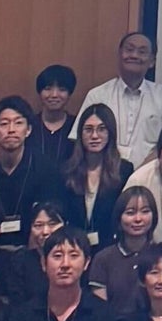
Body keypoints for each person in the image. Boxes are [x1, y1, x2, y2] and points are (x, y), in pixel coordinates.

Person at [0, 97, 70, 252]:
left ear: (28, 130)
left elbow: (53, 217)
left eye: (18, 123)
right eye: (4, 124)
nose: (11, 130)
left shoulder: (46, 168)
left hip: (33, 249)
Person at [77, 32, 162, 166]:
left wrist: (140, 173)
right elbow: (80, 139)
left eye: (142, 52)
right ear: (120, 55)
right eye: (129, 49)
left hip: (150, 174)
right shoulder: (97, 95)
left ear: (152, 61)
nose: (134, 55)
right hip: (104, 173)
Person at [62, 103, 133, 247]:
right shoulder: (67, 171)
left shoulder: (124, 170)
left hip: (111, 248)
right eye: (88, 130)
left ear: (110, 133)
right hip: (74, 247)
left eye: (101, 129)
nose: (94, 136)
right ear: (80, 134)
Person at [88, 185, 157, 316]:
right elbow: (100, 311)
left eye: (145, 211)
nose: (138, 219)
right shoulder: (103, 258)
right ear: (119, 218)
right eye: (130, 212)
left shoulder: (161, 256)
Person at [0, 200, 68, 310]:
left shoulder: (74, 258)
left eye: (52, 224)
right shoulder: (19, 260)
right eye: (38, 225)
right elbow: (17, 303)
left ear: (65, 224)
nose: (45, 231)